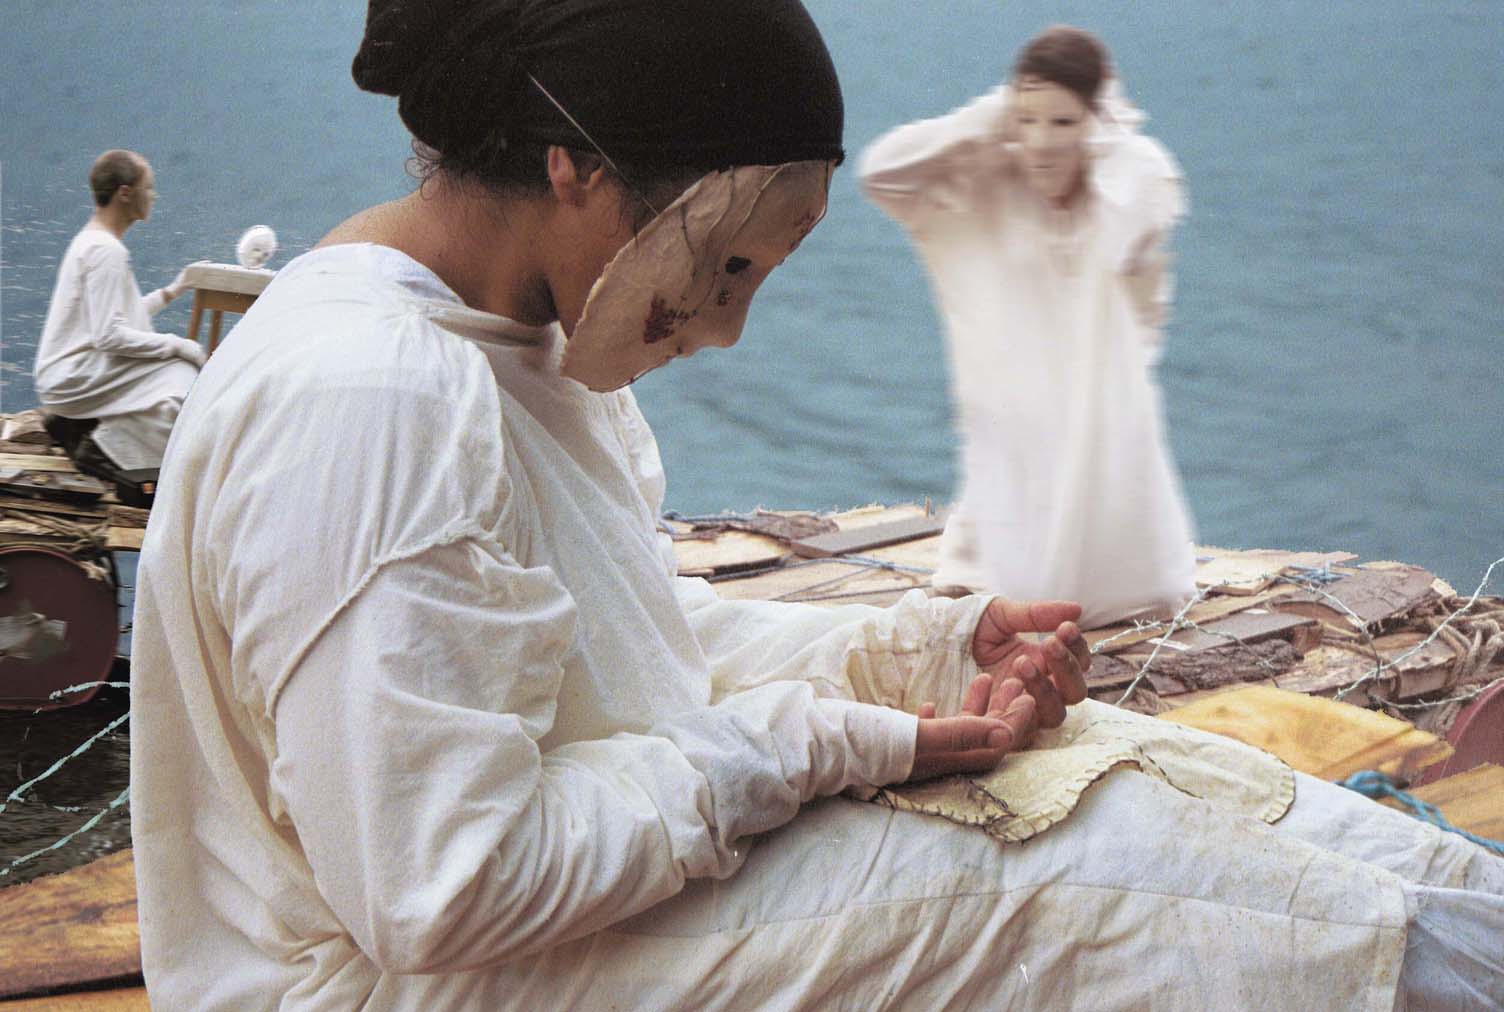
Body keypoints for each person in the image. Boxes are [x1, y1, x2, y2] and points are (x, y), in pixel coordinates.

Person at [130, 3, 1503, 1009]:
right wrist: (810, 748)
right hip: (385, 980)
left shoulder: (513, 345)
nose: (722, 326)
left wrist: (915, 656)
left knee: (1159, 781)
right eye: (722, 265)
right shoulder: (369, 398)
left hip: (527, 926)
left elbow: (611, 648)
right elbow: (443, 884)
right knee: (1105, 881)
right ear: (574, 167)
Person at [860, 27, 1199, 630]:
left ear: (1094, 123)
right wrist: (995, 116)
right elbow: (883, 173)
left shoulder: (1127, 182)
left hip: (1105, 435)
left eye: (1063, 123)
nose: (1041, 142)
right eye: (1029, 121)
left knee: (1121, 589)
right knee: (1006, 585)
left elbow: (1132, 227)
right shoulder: (989, 184)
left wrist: (1096, 136)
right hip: (1007, 435)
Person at [32, 149, 205, 477]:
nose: (153, 195)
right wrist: (179, 345)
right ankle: (103, 447)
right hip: (73, 375)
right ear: (125, 193)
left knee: (173, 372)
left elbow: (118, 316)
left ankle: (79, 424)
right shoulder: (105, 251)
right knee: (182, 382)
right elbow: (109, 335)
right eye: (148, 187)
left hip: (65, 373)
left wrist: (173, 290)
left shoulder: (92, 240)